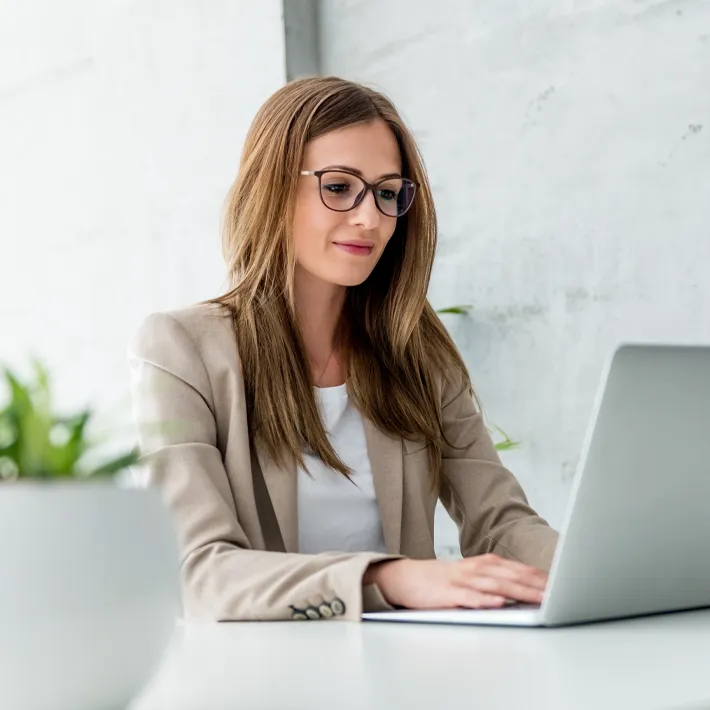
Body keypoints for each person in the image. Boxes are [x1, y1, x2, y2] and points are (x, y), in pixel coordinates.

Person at [128, 76, 558, 623]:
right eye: (338, 187)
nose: (369, 218)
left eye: (386, 192)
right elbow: (200, 572)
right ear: (272, 186)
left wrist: (593, 567)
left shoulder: (415, 351)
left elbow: (501, 524)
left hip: (403, 666)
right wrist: (386, 577)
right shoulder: (180, 349)